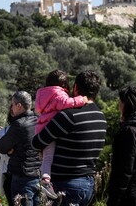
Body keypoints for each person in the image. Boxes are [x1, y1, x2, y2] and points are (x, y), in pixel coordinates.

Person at [32, 71, 107, 206]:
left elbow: (37, 142)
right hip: (88, 184)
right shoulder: (100, 117)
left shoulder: (68, 116)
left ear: (76, 88)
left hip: (66, 185)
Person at [34, 69, 87, 199]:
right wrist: (81, 99)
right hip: (49, 128)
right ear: (63, 84)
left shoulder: (43, 94)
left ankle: (45, 179)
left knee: (45, 156)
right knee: (48, 157)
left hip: (41, 126)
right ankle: (45, 181)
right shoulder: (58, 94)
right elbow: (67, 103)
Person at [0, 91, 41, 206]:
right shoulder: (38, 120)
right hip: (37, 175)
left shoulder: (18, 124)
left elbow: (1, 147)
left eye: (12, 104)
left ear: (19, 106)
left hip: (22, 177)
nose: (11, 108)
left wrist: (11, 150)